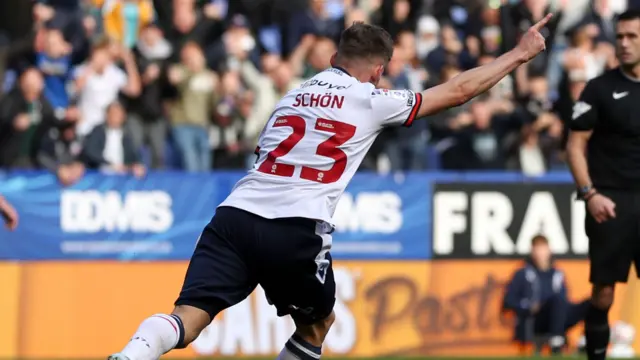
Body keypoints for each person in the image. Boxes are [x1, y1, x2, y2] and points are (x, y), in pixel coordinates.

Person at [108, 15, 552, 360]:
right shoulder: (371, 99)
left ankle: (132, 353)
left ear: (335, 57)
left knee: (188, 316)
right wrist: (518, 54)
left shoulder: (292, 95)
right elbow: (457, 90)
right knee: (318, 324)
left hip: (235, 215)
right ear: (378, 70)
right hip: (296, 225)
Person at [566, 9, 640, 360]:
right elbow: (574, 146)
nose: (624, 44)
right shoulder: (600, 88)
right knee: (604, 293)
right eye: (620, 36)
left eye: (632, 37)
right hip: (610, 203)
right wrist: (589, 194)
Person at [503, 235, 589, 354]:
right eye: (537, 249)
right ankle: (556, 342)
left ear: (549, 250)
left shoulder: (557, 273)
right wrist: (528, 306)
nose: (541, 253)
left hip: (559, 316)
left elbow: (564, 299)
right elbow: (509, 301)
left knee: (591, 303)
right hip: (536, 319)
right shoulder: (522, 273)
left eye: (543, 249)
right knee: (557, 300)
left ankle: (586, 341)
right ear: (532, 251)